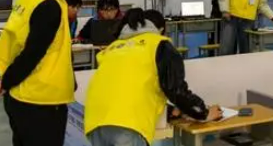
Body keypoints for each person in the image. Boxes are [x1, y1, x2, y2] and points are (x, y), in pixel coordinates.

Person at [0, 0, 86, 146]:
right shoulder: (50, 3)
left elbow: (9, 38)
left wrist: (0, 75)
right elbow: (32, 54)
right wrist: (6, 81)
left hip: (19, 98)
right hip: (42, 100)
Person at [84, 8, 222, 146]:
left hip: (93, 122)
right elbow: (176, 90)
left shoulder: (114, 47)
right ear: (161, 29)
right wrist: (203, 113)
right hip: (127, 124)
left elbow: (127, 88)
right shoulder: (159, 44)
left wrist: (172, 110)